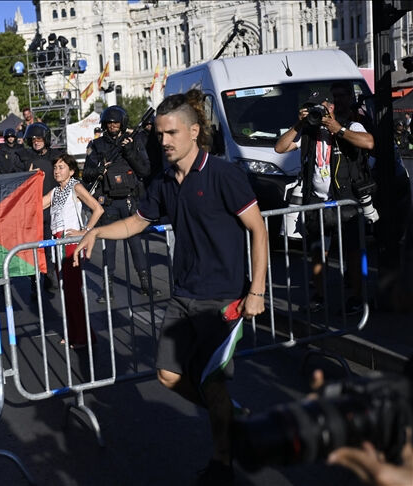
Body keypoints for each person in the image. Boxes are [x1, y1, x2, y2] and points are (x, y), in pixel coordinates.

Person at [74, 89, 268, 486]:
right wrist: (94, 232)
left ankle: (222, 462)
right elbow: (136, 223)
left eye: (171, 133)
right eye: (160, 134)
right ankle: (230, 417)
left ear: (193, 132)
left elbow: (258, 230)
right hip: (183, 294)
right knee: (166, 374)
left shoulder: (223, 175)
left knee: (212, 382)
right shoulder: (164, 181)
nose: (163, 141)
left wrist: (257, 292)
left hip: (224, 297)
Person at [274, 82, 375, 315]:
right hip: (317, 200)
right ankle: (319, 295)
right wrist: (300, 123)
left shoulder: (350, 125)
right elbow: (280, 147)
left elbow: (368, 142)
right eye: (313, 108)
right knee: (318, 251)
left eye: (323, 106)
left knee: (352, 250)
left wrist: (336, 128)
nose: (319, 112)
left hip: (346, 199)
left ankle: (357, 296)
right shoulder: (308, 133)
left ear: (331, 106)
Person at [82, 105, 156, 301]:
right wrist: (99, 169)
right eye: (109, 122)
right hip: (109, 202)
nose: (113, 125)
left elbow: (144, 170)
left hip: (129, 201)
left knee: (136, 244)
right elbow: (86, 175)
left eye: (116, 122)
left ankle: (146, 284)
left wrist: (130, 150)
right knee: (110, 247)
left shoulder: (133, 143)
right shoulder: (97, 146)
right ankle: (108, 290)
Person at [41, 154, 104, 348]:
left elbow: (98, 208)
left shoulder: (75, 186)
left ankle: (85, 337)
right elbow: (34, 206)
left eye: (61, 167)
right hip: (57, 244)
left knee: (73, 291)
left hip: (71, 245)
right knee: (66, 291)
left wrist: (84, 231)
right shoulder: (54, 192)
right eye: (56, 167)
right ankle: (73, 333)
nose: (57, 171)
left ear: (71, 170)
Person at [23, 122, 62, 291]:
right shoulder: (25, 158)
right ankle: (33, 282)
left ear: (45, 139)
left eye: (39, 138)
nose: (36, 142)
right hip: (31, 210)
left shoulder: (56, 157)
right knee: (32, 248)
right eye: (33, 139)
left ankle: (49, 274)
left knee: (47, 245)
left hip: (50, 208)